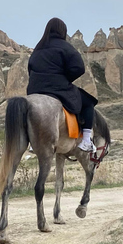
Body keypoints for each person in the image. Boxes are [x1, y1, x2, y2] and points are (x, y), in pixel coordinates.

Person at [27, 17, 98, 152]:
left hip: (34, 90)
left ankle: (32, 142)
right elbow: (79, 68)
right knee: (88, 102)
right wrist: (66, 78)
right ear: (62, 31)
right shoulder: (64, 46)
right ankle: (86, 140)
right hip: (57, 88)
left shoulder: (38, 47)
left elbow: (30, 69)